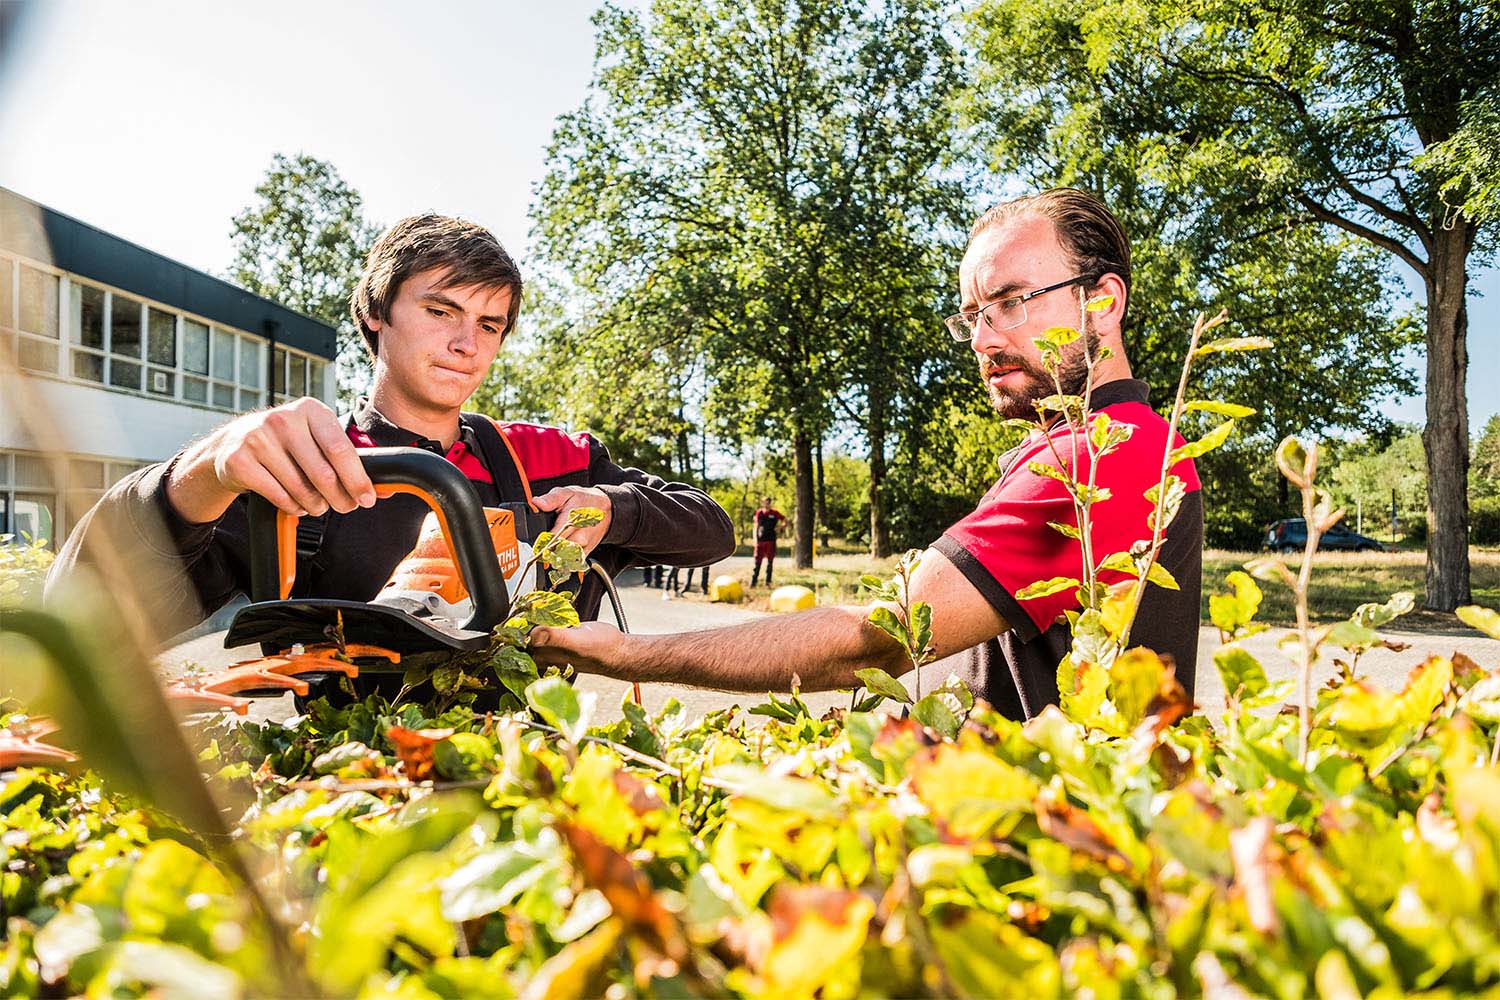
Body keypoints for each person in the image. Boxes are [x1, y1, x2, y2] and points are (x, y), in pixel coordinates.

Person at [532, 189, 1203, 720]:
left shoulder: (1104, 456)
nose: (981, 339)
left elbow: (878, 639)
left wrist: (625, 653)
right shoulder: (1098, 445)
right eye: (972, 314)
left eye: (1009, 302)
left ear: (1101, 303)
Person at [48, 214, 735, 643]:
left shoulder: (548, 457)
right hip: (358, 783)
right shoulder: (303, 475)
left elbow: (711, 530)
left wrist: (614, 508)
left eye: (489, 324)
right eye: (441, 311)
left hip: (532, 775)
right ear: (377, 312)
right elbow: (87, 617)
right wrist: (200, 475)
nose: (467, 342)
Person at [750, 496, 785, 587]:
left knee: (770, 562)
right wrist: (755, 539)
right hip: (760, 541)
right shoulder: (759, 513)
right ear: (763, 503)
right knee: (757, 562)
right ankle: (754, 582)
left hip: (771, 540)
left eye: (768, 502)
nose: (766, 504)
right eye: (765, 502)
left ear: (770, 503)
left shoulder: (775, 513)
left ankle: (768, 582)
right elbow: (755, 526)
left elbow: (785, 521)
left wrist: (780, 528)